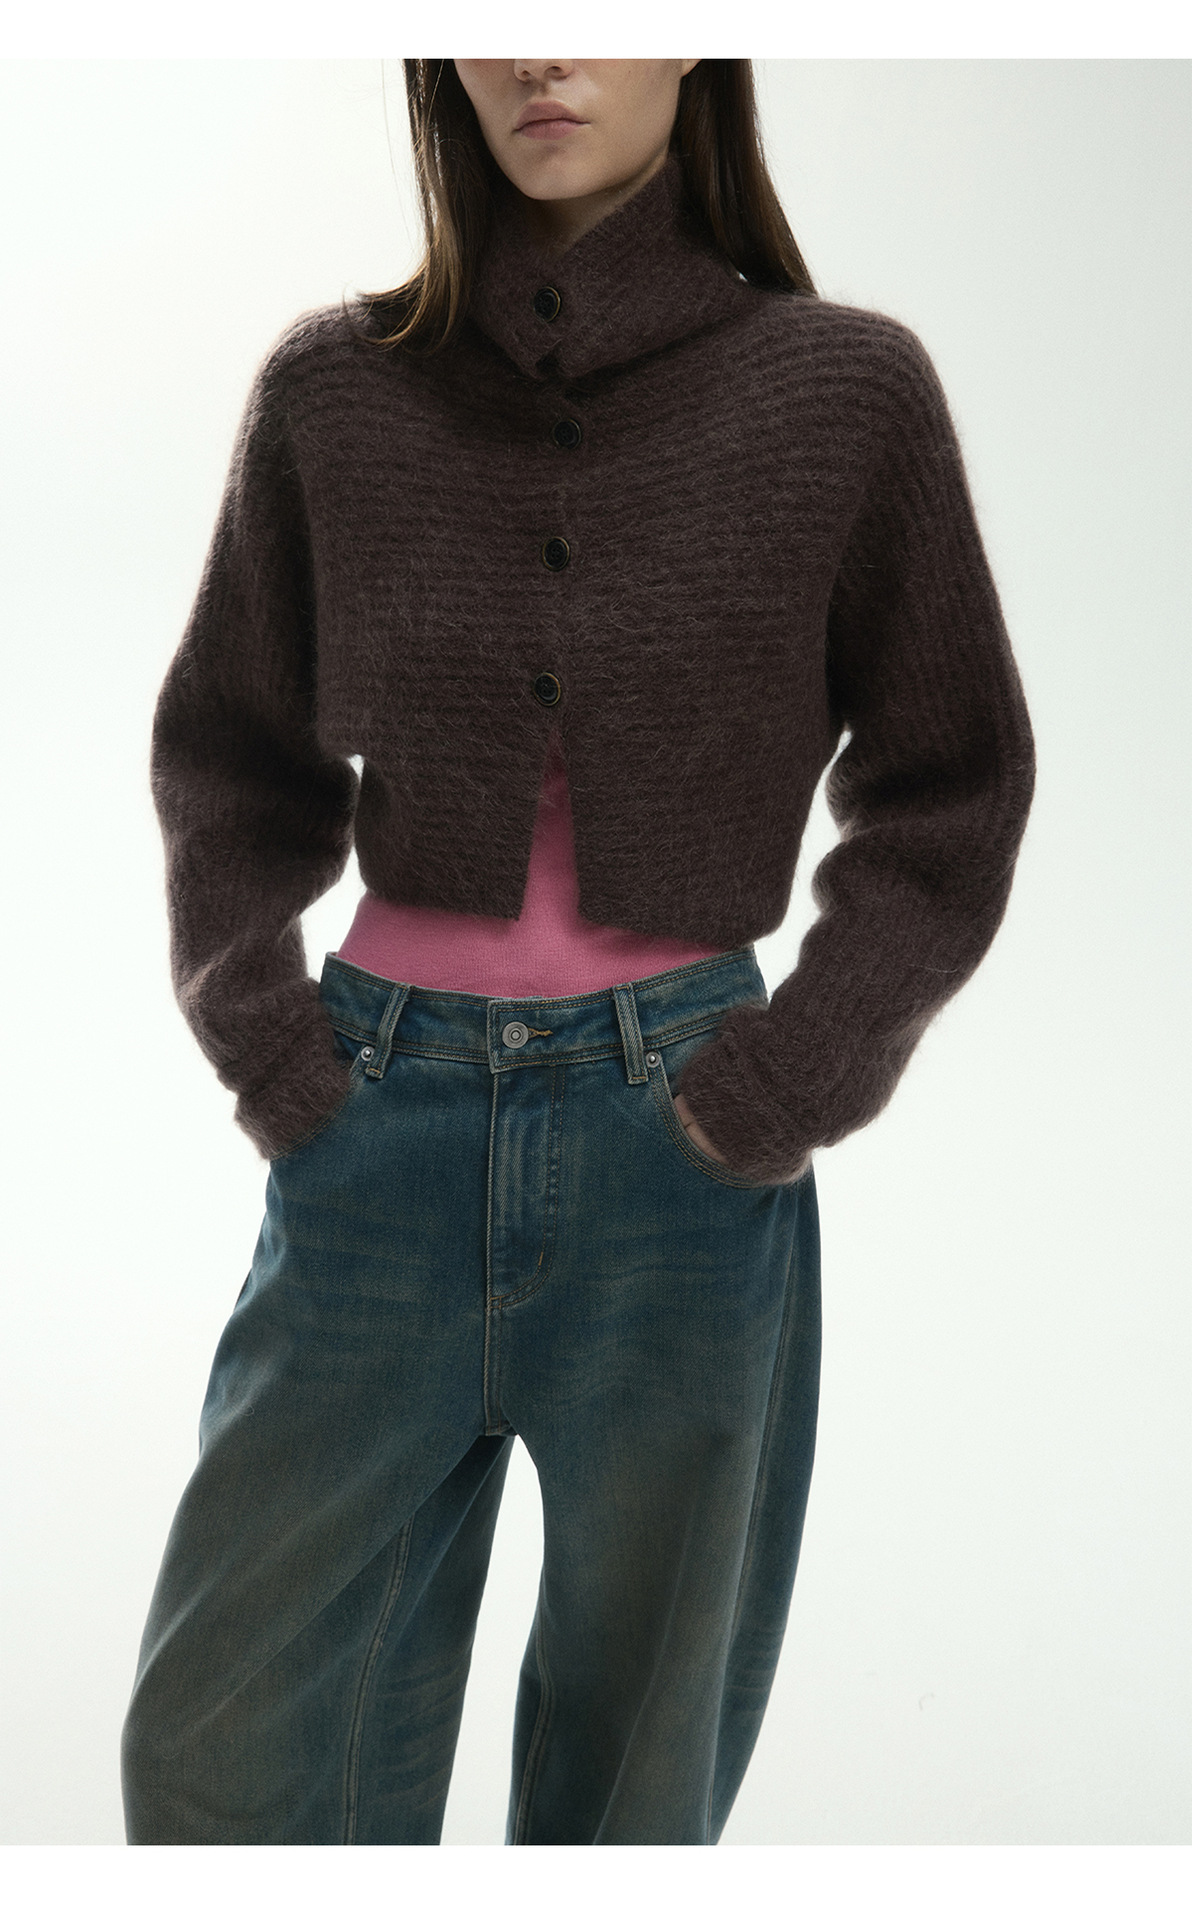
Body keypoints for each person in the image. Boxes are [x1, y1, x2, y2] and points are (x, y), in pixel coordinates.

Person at [121, 58, 1036, 1845]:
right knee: (224, 1762)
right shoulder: (335, 390)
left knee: (638, 1784)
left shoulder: (845, 391)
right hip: (372, 1133)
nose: (543, 52)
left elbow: (955, 786)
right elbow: (227, 754)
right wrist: (274, 1047)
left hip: (686, 1152)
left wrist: (789, 1078)